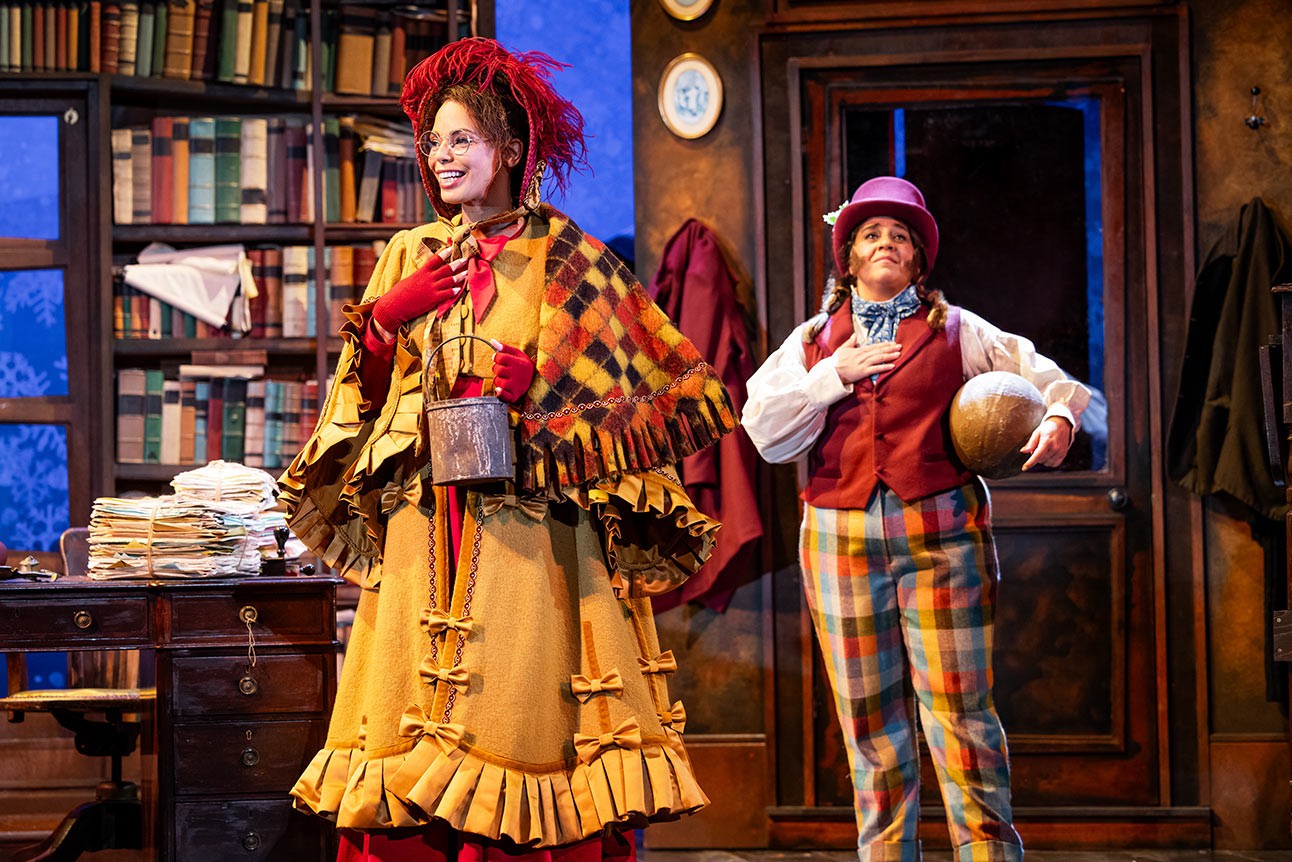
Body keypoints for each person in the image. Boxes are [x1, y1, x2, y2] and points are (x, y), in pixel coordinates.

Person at [280, 37, 735, 861]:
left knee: (520, 710)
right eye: (434, 140)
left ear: (510, 150)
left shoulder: (571, 259)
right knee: (412, 709)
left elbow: (639, 395)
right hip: (427, 520)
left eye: (463, 140)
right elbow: (362, 394)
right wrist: (387, 316)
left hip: (531, 528)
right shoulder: (409, 253)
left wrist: (543, 386)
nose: (442, 156)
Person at [742, 176, 1090, 862]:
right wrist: (829, 377)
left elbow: (1043, 374)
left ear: (919, 259)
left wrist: (1056, 415)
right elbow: (763, 428)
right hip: (838, 540)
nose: (886, 243)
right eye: (871, 233)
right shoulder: (814, 341)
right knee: (869, 722)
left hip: (942, 534)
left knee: (962, 713)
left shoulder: (958, 330)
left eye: (900, 235)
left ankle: (989, 852)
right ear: (849, 258)